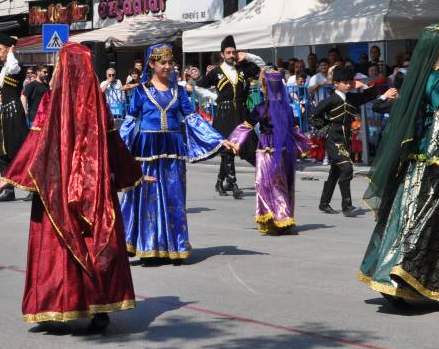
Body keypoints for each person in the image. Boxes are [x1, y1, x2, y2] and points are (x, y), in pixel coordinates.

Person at [0, 43, 150, 331]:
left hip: (57, 188)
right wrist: (132, 173)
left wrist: (10, 175)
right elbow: (113, 144)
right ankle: (97, 308)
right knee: (93, 240)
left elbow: (36, 145)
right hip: (93, 188)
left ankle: (60, 304)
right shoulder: (94, 101)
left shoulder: (53, 100)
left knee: (59, 247)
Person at [359, 24, 439, 305]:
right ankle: (399, 274)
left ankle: (407, 277)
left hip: (425, 158)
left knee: (413, 217)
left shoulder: (426, 77)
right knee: (433, 220)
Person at [119, 44, 236, 263]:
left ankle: (174, 245)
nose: (167, 67)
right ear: (152, 64)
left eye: (170, 63)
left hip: (173, 148)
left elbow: (193, 120)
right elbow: (129, 123)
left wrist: (219, 140)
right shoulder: (141, 91)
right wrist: (116, 150)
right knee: (148, 198)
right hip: (146, 149)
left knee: (173, 197)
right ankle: (149, 247)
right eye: (162, 63)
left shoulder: (179, 91)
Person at [229, 69, 309, 234]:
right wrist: (303, 146)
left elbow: (246, 126)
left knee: (265, 184)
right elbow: (295, 131)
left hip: (267, 149)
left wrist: (235, 142)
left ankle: (280, 219)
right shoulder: (285, 108)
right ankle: (282, 219)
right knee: (281, 184)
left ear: (264, 89)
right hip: (283, 150)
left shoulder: (261, 108)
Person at [311, 66, 396, 215]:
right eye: (345, 82)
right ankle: (347, 206)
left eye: (350, 82)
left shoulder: (352, 99)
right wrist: (325, 127)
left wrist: (363, 85)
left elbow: (370, 95)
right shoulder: (331, 100)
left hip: (346, 141)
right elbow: (314, 115)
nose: (348, 85)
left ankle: (324, 204)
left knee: (335, 171)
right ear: (336, 83)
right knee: (347, 168)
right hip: (333, 140)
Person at [197, 35, 258, 199]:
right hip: (224, 115)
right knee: (228, 150)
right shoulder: (216, 72)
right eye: (228, 52)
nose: (232, 55)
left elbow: (262, 67)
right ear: (222, 54)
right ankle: (233, 184)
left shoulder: (243, 69)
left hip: (241, 114)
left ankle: (219, 182)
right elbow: (198, 87)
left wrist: (248, 56)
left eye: (234, 52)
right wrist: (213, 97)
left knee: (250, 148)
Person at [0, 34, 30, 202]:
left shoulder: (16, 66)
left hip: (14, 113)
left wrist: (11, 52)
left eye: (0, 50)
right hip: (4, 114)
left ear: (8, 50)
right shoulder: (5, 68)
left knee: (19, 150)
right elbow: (3, 80)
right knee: (2, 153)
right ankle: (8, 189)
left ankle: (33, 187)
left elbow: (13, 67)